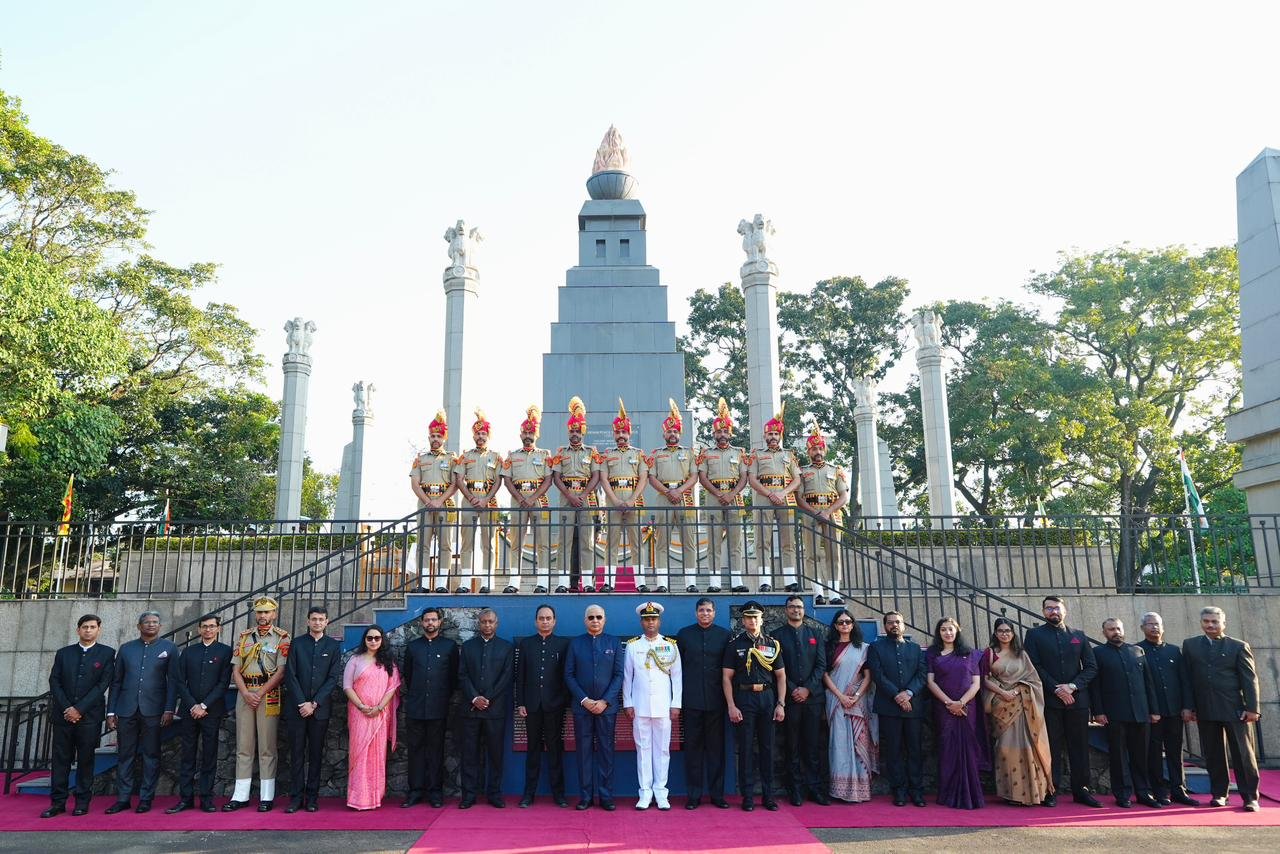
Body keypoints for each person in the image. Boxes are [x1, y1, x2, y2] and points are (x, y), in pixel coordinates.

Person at [1181, 605, 1262, 812]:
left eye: (1214, 621)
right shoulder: (1190, 645)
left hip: (1235, 709)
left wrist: (1252, 708)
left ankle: (1250, 797)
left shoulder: (1238, 646)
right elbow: (1187, 679)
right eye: (1206, 621)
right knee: (1213, 754)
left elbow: (1249, 679)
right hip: (1205, 709)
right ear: (1201, 623)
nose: (1210, 625)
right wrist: (1188, 707)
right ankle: (1219, 794)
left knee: (1243, 754)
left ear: (1223, 623)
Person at [1023, 595, 1099, 807]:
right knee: (1052, 747)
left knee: (1080, 747)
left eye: (1056, 608)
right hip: (1050, 700)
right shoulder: (1034, 635)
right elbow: (1034, 665)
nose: (1053, 612)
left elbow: (1091, 667)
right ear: (1043, 612)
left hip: (1078, 701)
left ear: (1064, 610)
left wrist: (1072, 687)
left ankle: (1082, 791)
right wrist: (1056, 688)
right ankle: (1051, 790)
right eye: (1048, 609)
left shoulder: (1079, 635)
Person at [104, 611, 178, 815]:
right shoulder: (127, 649)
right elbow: (116, 682)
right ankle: (123, 798)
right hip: (126, 710)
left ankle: (146, 798)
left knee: (151, 755)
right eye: (147, 622)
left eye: (155, 622)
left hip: (154, 710)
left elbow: (173, 682)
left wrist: (169, 708)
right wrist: (111, 712)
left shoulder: (169, 648)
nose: (151, 625)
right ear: (139, 626)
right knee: (125, 755)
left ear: (160, 626)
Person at [44, 614, 115, 818]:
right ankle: (57, 802)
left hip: (89, 718)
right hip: (63, 717)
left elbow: (103, 684)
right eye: (85, 627)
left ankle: (82, 803)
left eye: (92, 627)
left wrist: (79, 709)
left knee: (86, 760)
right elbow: (54, 681)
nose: (88, 630)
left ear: (98, 630)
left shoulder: (107, 653)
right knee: (60, 761)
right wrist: (68, 708)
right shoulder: (64, 653)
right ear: (78, 630)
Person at [225, 596, 291, 812]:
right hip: (245, 693)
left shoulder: (282, 638)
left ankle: (266, 795)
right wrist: (245, 692)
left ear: (274, 614)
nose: (263, 616)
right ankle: (240, 795)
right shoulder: (244, 637)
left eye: (267, 612)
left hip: (268, 694)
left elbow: (281, 671)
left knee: (267, 746)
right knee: (244, 746)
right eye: (260, 612)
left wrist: (259, 692)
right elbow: (236, 668)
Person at [721, 600, 787, 812]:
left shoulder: (771, 644)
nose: (752, 620)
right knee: (747, 748)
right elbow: (726, 677)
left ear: (761, 619)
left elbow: (781, 676)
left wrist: (781, 704)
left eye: (755, 617)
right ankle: (748, 797)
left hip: (767, 697)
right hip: (744, 698)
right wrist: (731, 705)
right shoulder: (735, 644)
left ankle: (769, 796)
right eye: (748, 617)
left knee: (768, 748)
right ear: (743, 620)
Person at [980, 617, 1052, 807]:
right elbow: (984, 679)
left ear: (1013, 633)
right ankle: (1011, 793)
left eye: (1008, 631)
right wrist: (1003, 692)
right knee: (1004, 747)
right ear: (995, 633)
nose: (1005, 634)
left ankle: (1032, 793)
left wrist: (1018, 690)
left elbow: (1034, 680)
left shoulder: (1021, 654)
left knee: (1028, 747)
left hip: (1023, 704)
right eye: (1001, 631)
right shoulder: (989, 653)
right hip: (1001, 704)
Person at [1089, 618, 1161, 808]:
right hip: (1114, 714)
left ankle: (1143, 793)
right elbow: (1095, 686)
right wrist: (1098, 711)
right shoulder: (1097, 653)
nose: (1116, 632)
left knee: (1141, 755)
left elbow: (1148, 683)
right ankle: (1122, 794)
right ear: (1104, 633)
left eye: (1118, 628)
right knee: (1118, 757)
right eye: (1111, 629)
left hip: (1141, 713)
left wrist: (1154, 710)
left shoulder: (1137, 651)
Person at [168, 613, 232, 814]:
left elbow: (223, 683)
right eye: (204, 626)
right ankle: (185, 799)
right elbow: (179, 681)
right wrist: (193, 705)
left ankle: (206, 798)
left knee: (209, 755)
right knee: (188, 755)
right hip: (189, 711)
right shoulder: (188, 652)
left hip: (211, 711)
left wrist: (204, 705)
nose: (208, 630)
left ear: (218, 629)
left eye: (212, 626)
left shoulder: (225, 652)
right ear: (199, 629)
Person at [282, 605, 343, 813]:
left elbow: (333, 678)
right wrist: (302, 703)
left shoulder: (333, 646)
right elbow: (290, 675)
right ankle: (296, 797)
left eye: (321, 619)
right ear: (307, 621)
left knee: (316, 754)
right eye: (314, 619)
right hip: (297, 709)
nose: (317, 622)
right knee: (297, 753)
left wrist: (314, 703)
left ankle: (312, 798)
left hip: (320, 710)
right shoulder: (297, 644)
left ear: (327, 622)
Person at [565, 603, 625, 810]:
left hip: (606, 709)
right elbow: (569, 675)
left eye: (599, 617)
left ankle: (606, 797)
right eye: (591, 618)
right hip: (582, 708)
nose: (595, 621)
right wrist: (585, 700)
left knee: (606, 752)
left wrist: (604, 701)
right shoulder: (575, 644)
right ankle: (586, 797)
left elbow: (619, 675)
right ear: (585, 621)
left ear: (604, 619)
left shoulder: (614, 643)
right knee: (583, 753)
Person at [623, 602, 682, 810]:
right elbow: (627, 678)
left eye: (654, 619)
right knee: (643, 750)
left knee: (662, 750)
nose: (650, 622)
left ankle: (661, 792)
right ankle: (645, 793)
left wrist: (676, 704)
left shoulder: (670, 645)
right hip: (639, 706)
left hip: (664, 707)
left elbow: (677, 678)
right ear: (641, 622)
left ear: (659, 621)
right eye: (647, 619)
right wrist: (628, 703)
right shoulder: (633, 646)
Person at [1137, 611, 1199, 806]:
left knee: (1175, 752)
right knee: (1153, 753)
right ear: (1142, 628)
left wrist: (1187, 707)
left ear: (1162, 627)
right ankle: (1159, 791)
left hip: (1174, 711)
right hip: (1152, 713)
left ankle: (1178, 790)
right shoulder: (1137, 650)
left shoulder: (1174, 651)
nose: (1154, 627)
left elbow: (1185, 681)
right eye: (1149, 624)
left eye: (1157, 624)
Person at [675, 598, 732, 809]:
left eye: (708, 610)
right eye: (701, 610)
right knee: (693, 751)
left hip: (717, 701)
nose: (705, 613)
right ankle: (694, 795)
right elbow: (676, 669)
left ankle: (717, 795)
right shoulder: (684, 635)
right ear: (696, 612)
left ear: (714, 613)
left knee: (717, 750)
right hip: (691, 701)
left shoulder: (725, 635)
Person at [866, 610, 926, 807]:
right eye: (890, 622)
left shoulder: (916, 649)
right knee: (893, 752)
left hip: (913, 708)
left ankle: (916, 791)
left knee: (915, 751)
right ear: (885, 626)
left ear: (903, 625)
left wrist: (908, 693)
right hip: (889, 707)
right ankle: (898, 791)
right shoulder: (876, 647)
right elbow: (878, 675)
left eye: (897, 622)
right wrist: (897, 695)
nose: (894, 625)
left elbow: (921, 675)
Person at [400, 606, 459, 808]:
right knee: (415, 750)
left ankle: (435, 792)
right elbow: (408, 674)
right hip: (416, 707)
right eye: (427, 620)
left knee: (436, 750)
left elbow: (453, 678)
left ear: (440, 622)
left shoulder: (449, 647)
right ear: (421, 623)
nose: (430, 623)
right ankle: (415, 791)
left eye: (434, 620)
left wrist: (442, 697)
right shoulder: (413, 647)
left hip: (438, 707)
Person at [925, 617, 985, 810]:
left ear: (957, 630)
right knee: (947, 749)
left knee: (968, 749)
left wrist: (961, 702)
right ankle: (948, 794)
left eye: (951, 629)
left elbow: (976, 683)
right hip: (944, 708)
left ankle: (971, 795)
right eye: (943, 630)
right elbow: (931, 682)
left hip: (968, 708)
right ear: (938, 633)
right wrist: (949, 703)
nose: (947, 633)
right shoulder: (933, 654)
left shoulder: (971, 654)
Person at [515, 603, 571, 808]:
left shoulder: (563, 644)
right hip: (531, 706)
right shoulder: (526, 644)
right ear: (536, 621)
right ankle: (529, 794)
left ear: (554, 621)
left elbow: (567, 677)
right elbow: (519, 676)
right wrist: (520, 702)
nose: (545, 621)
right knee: (533, 750)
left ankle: (559, 794)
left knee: (555, 750)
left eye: (548, 618)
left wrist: (562, 701)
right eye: (541, 618)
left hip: (554, 706)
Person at [775, 595, 829, 806]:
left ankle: (814, 788)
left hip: (813, 699)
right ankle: (795, 790)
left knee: (813, 746)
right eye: (792, 607)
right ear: (785, 610)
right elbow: (775, 668)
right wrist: (792, 689)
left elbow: (821, 666)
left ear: (804, 610)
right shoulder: (776, 636)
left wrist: (807, 688)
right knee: (792, 746)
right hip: (789, 699)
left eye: (799, 607)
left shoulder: (815, 634)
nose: (796, 610)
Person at [458, 608, 514, 808]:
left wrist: (487, 698)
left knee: (495, 755)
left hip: (495, 710)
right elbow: (462, 675)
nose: (487, 625)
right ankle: (469, 795)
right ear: (478, 623)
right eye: (484, 622)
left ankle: (495, 794)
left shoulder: (506, 648)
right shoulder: (468, 647)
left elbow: (507, 676)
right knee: (469, 754)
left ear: (496, 623)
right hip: (471, 710)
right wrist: (475, 698)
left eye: (491, 622)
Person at [343, 625, 401, 810]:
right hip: (359, 713)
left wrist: (379, 707)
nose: (373, 641)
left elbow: (392, 688)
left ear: (382, 640)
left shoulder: (388, 663)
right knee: (359, 754)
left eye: (377, 638)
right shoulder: (355, 660)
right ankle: (358, 798)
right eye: (370, 638)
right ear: (364, 640)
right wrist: (362, 706)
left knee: (376, 755)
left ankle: (374, 797)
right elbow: (347, 686)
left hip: (379, 715)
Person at [596, 398, 650, 592]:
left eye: (624, 432)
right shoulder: (607, 454)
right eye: (617, 432)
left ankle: (640, 582)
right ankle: (609, 582)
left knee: (637, 542)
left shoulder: (639, 454)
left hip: (633, 500)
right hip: (613, 500)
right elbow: (603, 478)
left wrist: (632, 500)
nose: (621, 435)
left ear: (630, 433)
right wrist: (616, 500)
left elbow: (643, 478)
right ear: (613, 434)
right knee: (612, 542)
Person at [822, 609, 876, 803]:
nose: (844, 625)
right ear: (835, 626)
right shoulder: (828, 647)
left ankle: (860, 789)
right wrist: (840, 696)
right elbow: (825, 674)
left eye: (848, 621)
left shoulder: (863, 648)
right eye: (840, 622)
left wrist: (855, 696)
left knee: (857, 741)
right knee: (838, 743)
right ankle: (841, 789)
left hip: (856, 702)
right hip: (836, 700)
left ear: (853, 624)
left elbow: (868, 676)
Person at [747, 404, 802, 592]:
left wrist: (783, 493)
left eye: (776, 434)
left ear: (780, 436)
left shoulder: (789, 455)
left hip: (785, 499)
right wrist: (770, 493)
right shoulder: (756, 455)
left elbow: (797, 479)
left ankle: (789, 580)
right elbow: (752, 479)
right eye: (769, 434)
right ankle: (764, 580)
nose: (772, 437)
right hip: (764, 498)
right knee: (763, 540)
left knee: (788, 541)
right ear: (764, 436)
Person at [647, 399, 699, 592]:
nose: (672, 434)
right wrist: (668, 491)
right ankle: (661, 582)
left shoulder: (689, 452)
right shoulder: (656, 454)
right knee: (662, 540)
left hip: (685, 496)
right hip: (664, 496)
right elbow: (651, 477)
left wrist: (679, 490)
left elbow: (694, 476)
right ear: (664, 433)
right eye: (669, 431)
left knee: (689, 540)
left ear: (680, 433)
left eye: (675, 431)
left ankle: (690, 582)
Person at [698, 397, 748, 592]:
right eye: (719, 431)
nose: (722, 434)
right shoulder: (706, 452)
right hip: (713, 496)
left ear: (730, 432)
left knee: (735, 541)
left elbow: (744, 476)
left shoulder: (740, 453)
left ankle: (737, 581)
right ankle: (715, 582)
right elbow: (702, 476)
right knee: (713, 541)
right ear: (714, 433)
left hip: (734, 497)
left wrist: (732, 494)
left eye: (725, 431)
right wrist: (718, 493)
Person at [552, 396, 601, 593]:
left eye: (578, 431)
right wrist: (570, 495)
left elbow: (596, 476)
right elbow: (556, 477)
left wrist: (582, 495)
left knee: (587, 542)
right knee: (564, 541)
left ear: (583, 432)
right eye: (572, 431)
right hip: (566, 498)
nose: (574, 434)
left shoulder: (591, 452)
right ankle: (563, 582)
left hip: (586, 498)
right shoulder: (560, 452)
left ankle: (588, 582)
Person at [504, 405, 555, 594]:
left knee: (543, 542)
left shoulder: (544, 455)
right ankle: (514, 582)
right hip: (518, 499)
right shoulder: (513, 455)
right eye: (525, 432)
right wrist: (520, 498)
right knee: (516, 542)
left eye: (531, 432)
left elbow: (549, 479)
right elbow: (507, 479)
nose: (528, 435)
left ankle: (542, 582)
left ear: (537, 435)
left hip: (538, 499)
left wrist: (533, 497)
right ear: (520, 434)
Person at [796, 423, 848, 605]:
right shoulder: (802, 472)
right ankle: (817, 591)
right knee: (811, 553)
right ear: (808, 451)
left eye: (820, 448)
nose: (817, 451)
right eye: (813, 449)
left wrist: (827, 511)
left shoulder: (835, 470)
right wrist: (815, 512)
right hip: (811, 513)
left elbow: (844, 496)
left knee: (834, 553)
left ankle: (834, 593)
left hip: (831, 513)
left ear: (824, 450)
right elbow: (799, 497)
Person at [455, 408, 503, 593]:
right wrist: (471, 497)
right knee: (466, 542)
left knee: (488, 543)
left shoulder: (496, 457)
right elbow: (459, 479)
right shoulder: (465, 456)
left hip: (489, 500)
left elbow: (499, 480)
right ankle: (465, 582)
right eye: (478, 433)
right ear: (473, 436)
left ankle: (487, 581)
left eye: (484, 433)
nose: (481, 436)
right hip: (470, 499)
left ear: (488, 436)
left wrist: (486, 499)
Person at [410, 409, 457, 593]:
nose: (435, 439)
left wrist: (439, 501)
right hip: (425, 503)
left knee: (445, 544)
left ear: (444, 438)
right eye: (432, 436)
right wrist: (428, 501)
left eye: (438, 436)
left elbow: (455, 483)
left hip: (445, 503)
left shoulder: (452, 458)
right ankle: (422, 583)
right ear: (429, 438)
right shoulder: (420, 459)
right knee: (423, 544)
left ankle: (441, 584)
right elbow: (415, 483)